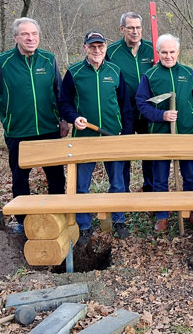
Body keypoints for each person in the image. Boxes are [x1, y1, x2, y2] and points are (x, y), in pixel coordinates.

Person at [0, 17, 68, 235]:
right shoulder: (3, 62)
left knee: (56, 177)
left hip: (49, 129)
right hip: (18, 131)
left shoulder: (48, 60)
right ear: (16, 37)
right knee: (21, 178)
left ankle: (58, 216)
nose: (30, 38)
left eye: (34, 34)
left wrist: (64, 119)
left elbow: (59, 92)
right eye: (25, 34)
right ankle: (23, 222)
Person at [59, 31, 133, 240]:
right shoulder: (74, 72)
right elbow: (64, 103)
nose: (97, 50)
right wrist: (74, 118)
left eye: (100, 46)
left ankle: (119, 220)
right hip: (85, 138)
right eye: (92, 47)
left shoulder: (115, 71)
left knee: (118, 183)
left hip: (112, 136)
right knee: (82, 185)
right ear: (85, 48)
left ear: (106, 48)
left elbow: (125, 105)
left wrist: (125, 134)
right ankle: (84, 225)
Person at [136, 34, 193, 232]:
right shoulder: (150, 76)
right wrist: (162, 115)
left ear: (178, 52)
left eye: (172, 52)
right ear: (158, 53)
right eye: (164, 52)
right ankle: (162, 215)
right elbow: (141, 103)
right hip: (161, 134)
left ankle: (189, 212)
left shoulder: (187, 72)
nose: (168, 56)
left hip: (186, 134)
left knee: (190, 175)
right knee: (160, 176)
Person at [106, 12, 155, 193]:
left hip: (149, 112)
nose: (135, 32)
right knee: (123, 153)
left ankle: (150, 192)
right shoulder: (111, 52)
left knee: (149, 154)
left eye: (138, 27)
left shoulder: (153, 50)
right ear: (122, 29)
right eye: (130, 28)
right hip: (123, 113)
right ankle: (123, 194)